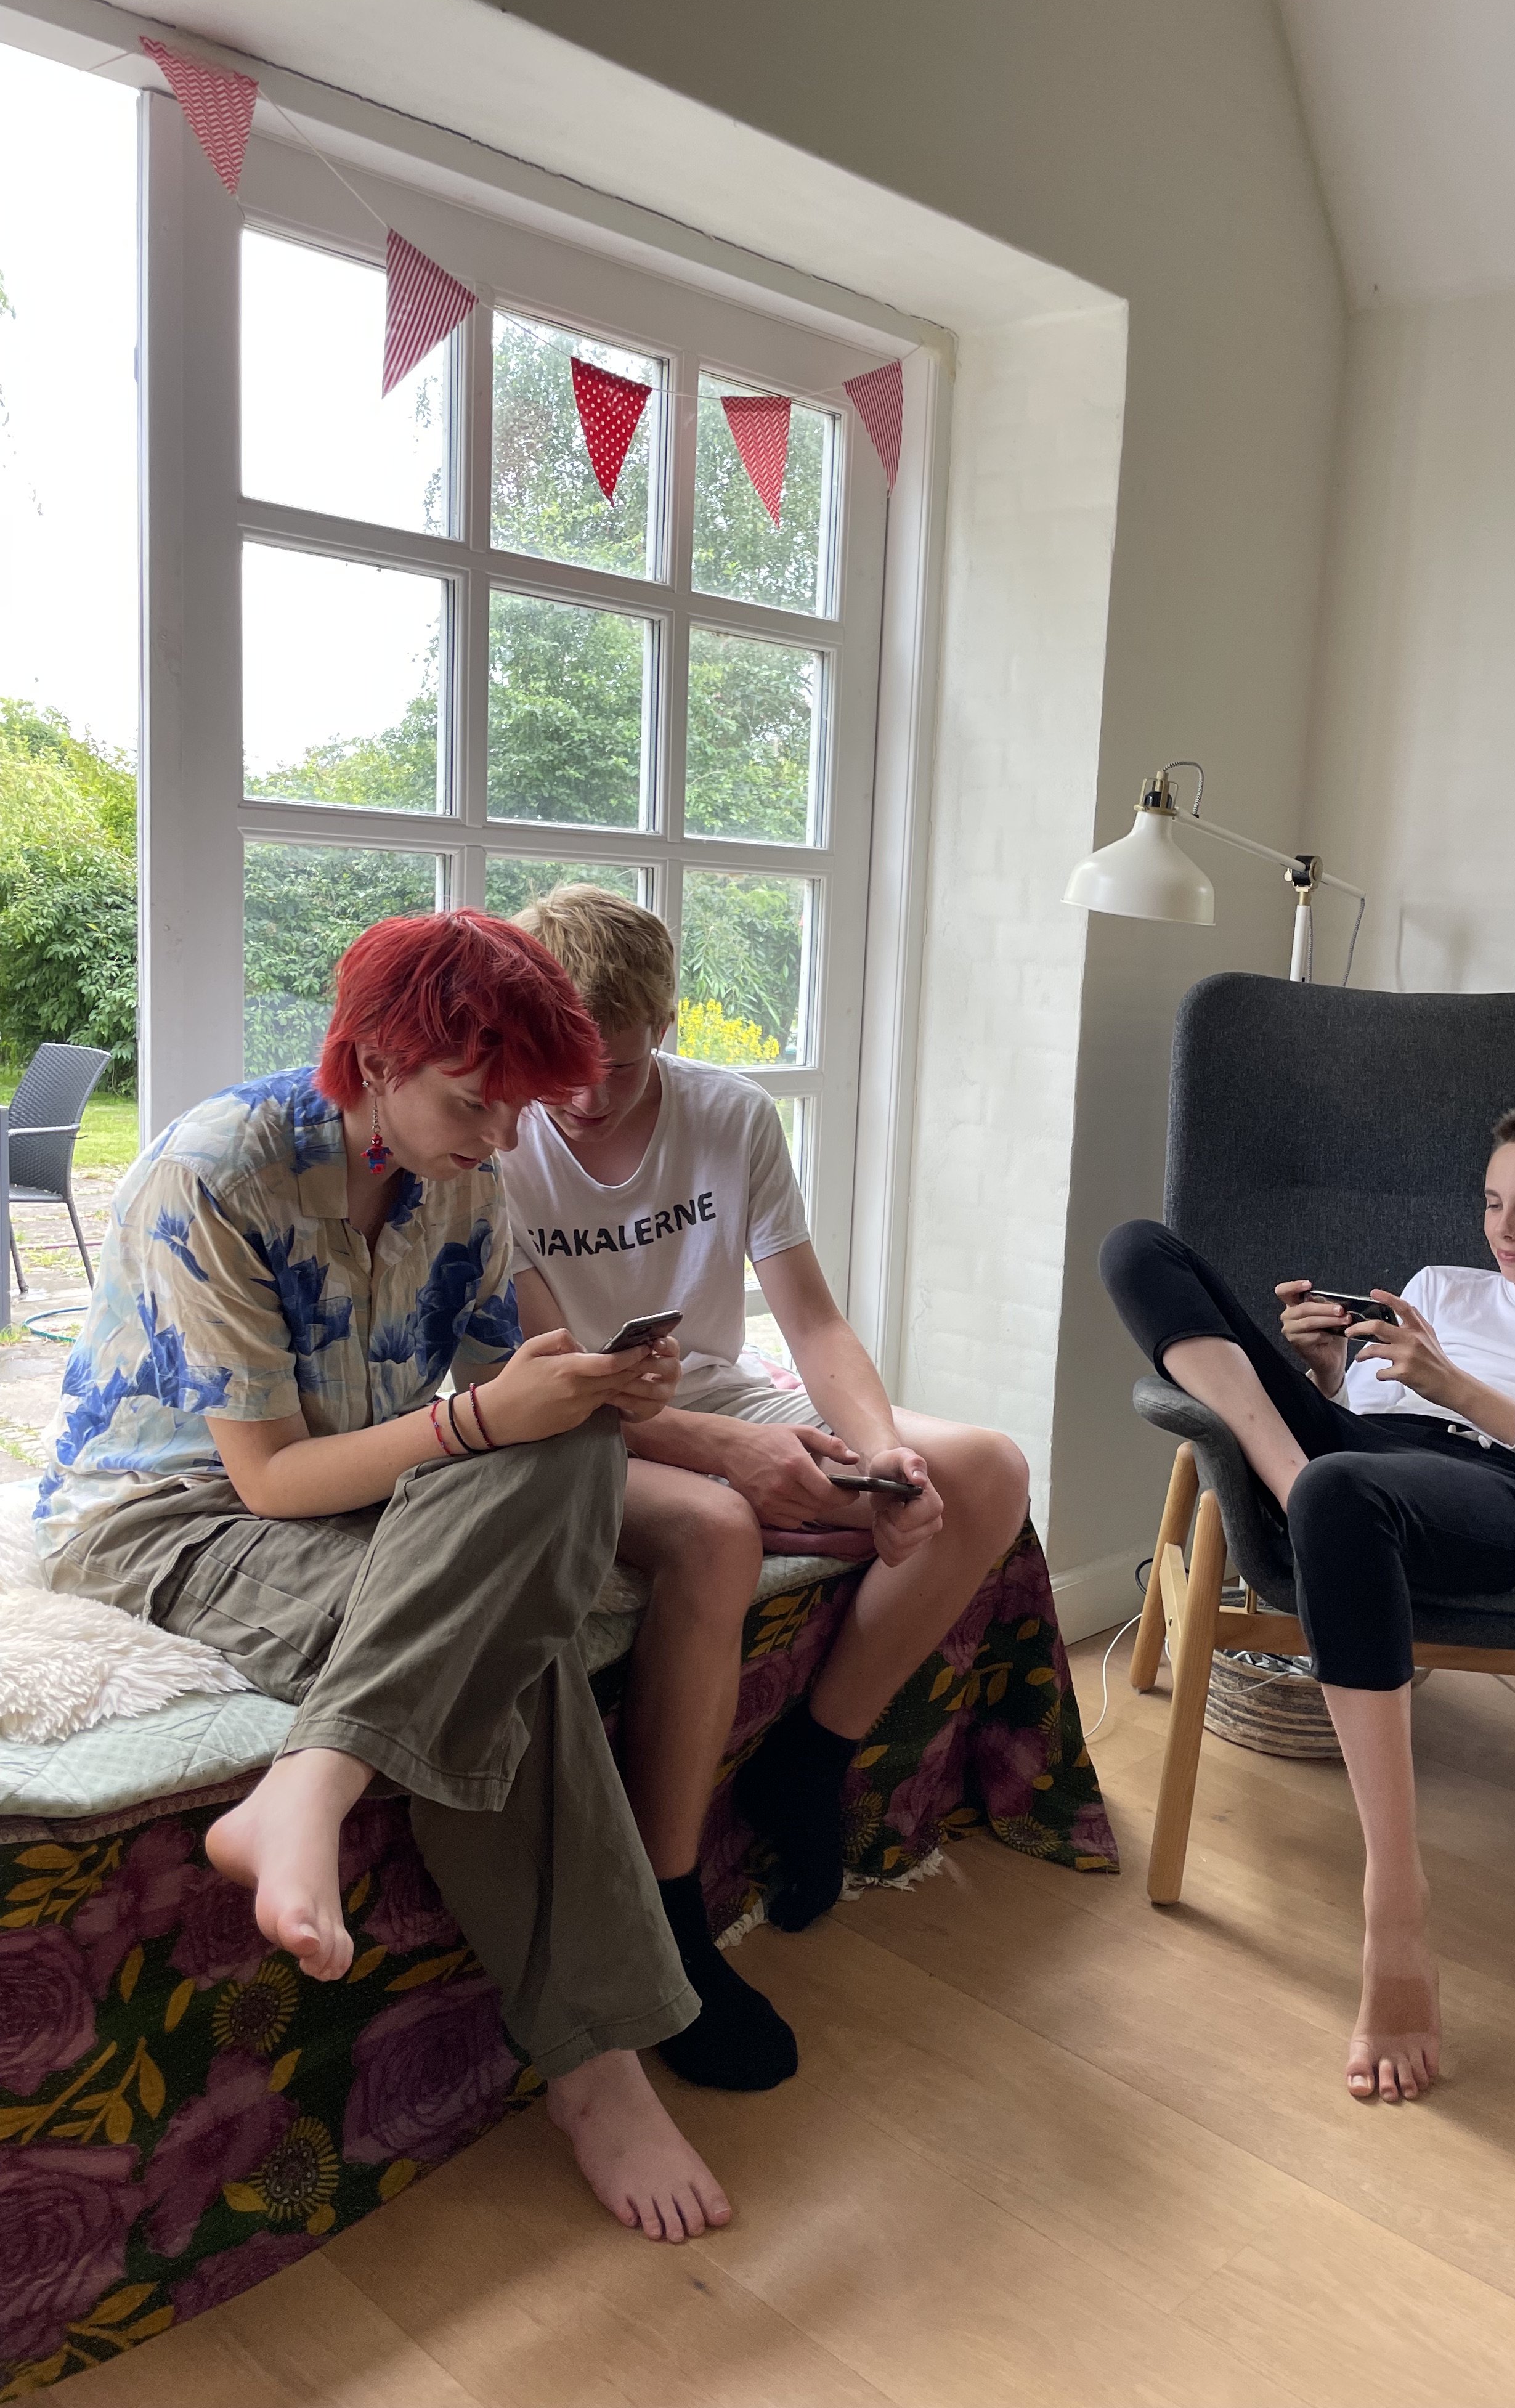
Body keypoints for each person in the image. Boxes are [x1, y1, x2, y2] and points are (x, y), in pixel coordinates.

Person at [35, 910, 731, 2243]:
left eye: (518, 1108)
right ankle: (598, 2069)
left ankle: (310, 1781)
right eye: (476, 1102)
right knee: (510, 1652)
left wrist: (596, 1385)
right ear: (373, 1060)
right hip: (167, 1517)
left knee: (576, 1447)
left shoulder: (463, 1173)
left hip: (366, 1493)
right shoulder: (214, 1171)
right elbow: (268, 1482)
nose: (503, 1137)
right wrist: (484, 1421)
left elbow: (503, 1392)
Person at [500, 884, 1031, 2094]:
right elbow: (550, 1380)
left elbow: (814, 1324)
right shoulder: (504, 1139)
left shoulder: (728, 1116)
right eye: (562, 1066)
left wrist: (881, 1453)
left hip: (712, 1388)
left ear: (664, 1027)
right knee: (723, 1525)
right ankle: (672, 1910)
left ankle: (815, 1755)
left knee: (983, 1473)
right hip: (569, 1422)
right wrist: (728, 1457)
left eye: (617, 1065)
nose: (583, 1096)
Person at [1100, 1100, 1515, 2104]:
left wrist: (1460, 1389)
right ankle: (1292, 1476)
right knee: (1137, 1248)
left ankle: (1394, 1901)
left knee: (1338, 1491)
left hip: (1502, 1488)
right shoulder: (1438, 1289)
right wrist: (1328, 1372)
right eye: (1493, 1203)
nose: (1504, 1230)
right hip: (1359, 1456)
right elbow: (1372, 1418)